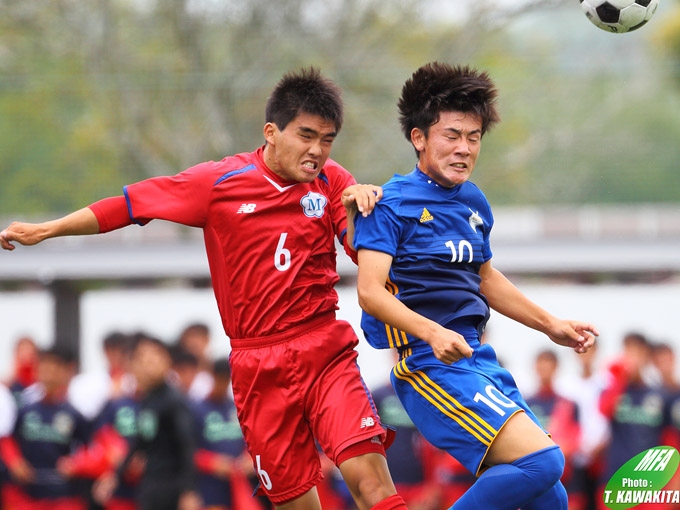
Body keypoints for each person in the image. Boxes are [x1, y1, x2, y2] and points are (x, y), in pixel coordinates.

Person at [1, 67, 406, 510]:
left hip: (323, 350)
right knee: (296, 504)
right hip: (257, 365)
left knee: (371, 485)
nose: (316, 151)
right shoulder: (219, 182)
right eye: (306, 135)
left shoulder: (334, 180)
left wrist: (362, 218)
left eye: (327, 140)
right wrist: (49, 229)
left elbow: (363, 255)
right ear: (271, 132)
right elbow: (128, 205)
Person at [353, 61, 599, 510]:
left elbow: (484, 277)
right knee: (543, 463)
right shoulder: (388, 204)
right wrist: (433, 332)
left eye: (474, 137)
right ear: (419, 137)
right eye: (452, 135)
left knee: (552, 495)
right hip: (429, 366)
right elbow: (369, 292)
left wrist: (551, 325)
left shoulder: (473, 201)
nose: (464, 149)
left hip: (477, 360)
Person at [93, 333, 200, 510]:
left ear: (167, 361)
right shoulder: (148, 400)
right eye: (142, 359)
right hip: (150, 484)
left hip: (171, 487)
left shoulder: (174, 401)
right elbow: (140, 441)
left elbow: (187, 447)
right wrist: (115, 476)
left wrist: (188, 491)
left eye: (154, 358)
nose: (148, 365)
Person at [0, 345, 91, 510]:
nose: (49, 375)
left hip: (64, 496)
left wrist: (76, 464)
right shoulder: (24, 410)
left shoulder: (75, 414)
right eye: (45, 368)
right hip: (28, 495)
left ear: (66, 373)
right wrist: (15, 462)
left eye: (55, 369)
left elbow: (89, 448)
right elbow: (8, 440)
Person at [525, 350, 580, 507]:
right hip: (535, 482)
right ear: (535, 367)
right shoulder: (525, 404)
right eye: (541, 365)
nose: (544, 369)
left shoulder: (568, 404)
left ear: (556, 367)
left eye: (548, 365)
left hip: (566, 481)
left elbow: (573, 443)